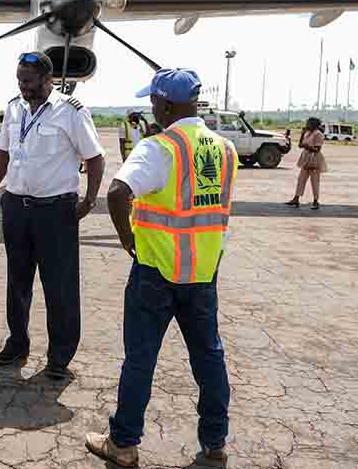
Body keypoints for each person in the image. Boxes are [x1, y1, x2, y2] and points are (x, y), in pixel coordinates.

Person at [85, 68, 237, 468]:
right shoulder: (225, 148)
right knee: (209, 357)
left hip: (156, 271)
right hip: (203, 271)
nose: (151, 108)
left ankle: (123, 443)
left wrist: (127, 239)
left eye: (153, 102)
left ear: (166, 105)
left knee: (140, 359)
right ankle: (215, 442)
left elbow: (117, 193)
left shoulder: (159, 147)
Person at [0, 51, 106, 380]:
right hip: (16, 208)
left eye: (29, 80)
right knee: (17, 282)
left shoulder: (71, 111)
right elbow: (4, 153)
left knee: (60, 286)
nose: (23, 86)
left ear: (48, 79)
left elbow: (95, 158)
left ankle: (59, 357)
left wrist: (90, 199)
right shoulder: (14, 108)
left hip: (56, 211)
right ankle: (17, 343)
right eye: (19, 80)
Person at [285, 117, 326, 210]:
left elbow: (317, 149)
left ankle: (315, 201)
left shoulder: (318, 134)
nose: (306, 125)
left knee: (314, 181)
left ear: (313, 125)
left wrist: (307, 146)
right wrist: (302, 134)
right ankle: (296, 198)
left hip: (314, 159)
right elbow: (300, 145)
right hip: (306, 158)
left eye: (308, 123)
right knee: (301, 179)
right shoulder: (307, 133)